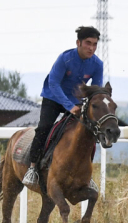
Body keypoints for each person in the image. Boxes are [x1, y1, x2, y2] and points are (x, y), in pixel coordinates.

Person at [23, 26, 104, 188]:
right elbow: (53, 83)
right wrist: (69, 105)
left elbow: (95, 90)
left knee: (88, 131)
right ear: (78, 43)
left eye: (95, 44)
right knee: (44, 128)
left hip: (75, 101)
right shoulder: (64, 59)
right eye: (88, 43)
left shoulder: (97, 64)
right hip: (52, 97)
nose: (91, 48)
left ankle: (87, 175)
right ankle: (32, 168)